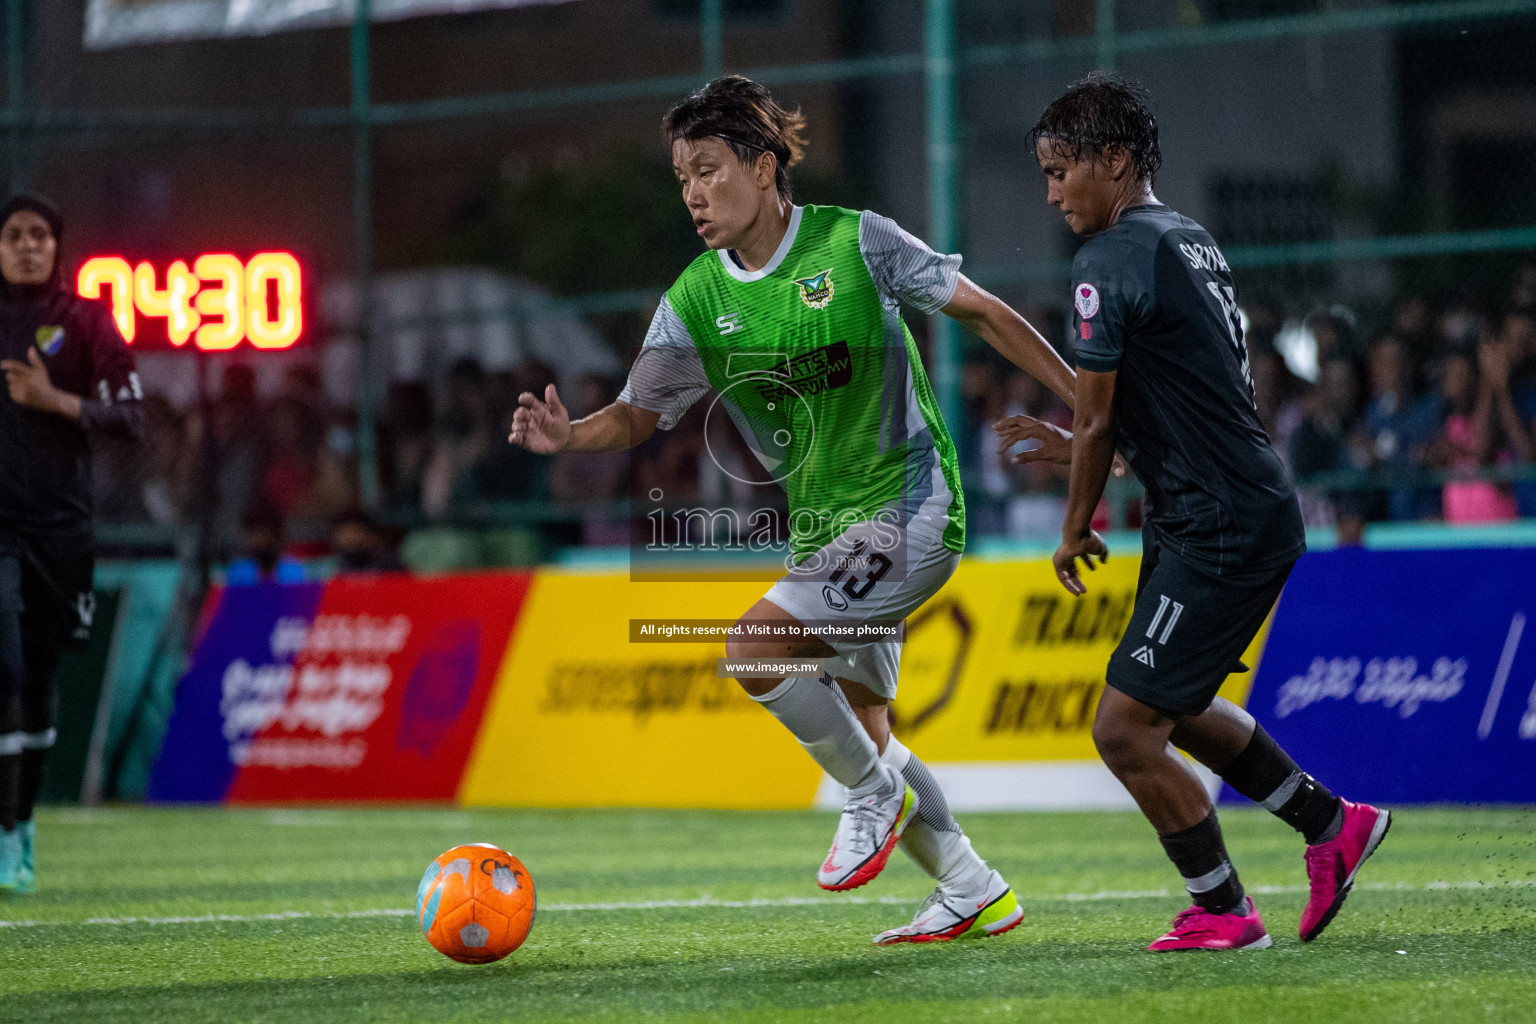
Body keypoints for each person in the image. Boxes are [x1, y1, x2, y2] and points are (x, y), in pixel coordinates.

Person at [509, 75, 1082, 944]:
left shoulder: (858, 243)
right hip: (826, 537)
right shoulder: (699, 299)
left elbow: (987, 314)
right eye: (682, 177)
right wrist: (571, 435)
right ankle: (972, 885)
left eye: (709, 169)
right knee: (865, 727)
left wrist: (1090, 408)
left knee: (754, 647)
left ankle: (869, 795)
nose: (694, 194)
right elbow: (637, 412)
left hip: (912, 507)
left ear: (766, 165)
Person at [1001, 74, 1390, 951]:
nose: (1052, 190)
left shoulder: (1106, 259)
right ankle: (1334, 825)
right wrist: (1083, 448)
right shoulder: (1187, 239)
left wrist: (1073, 523)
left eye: (1063, 170)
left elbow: (1101, 413)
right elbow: (1174, 404)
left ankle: (1223, 909)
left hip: (1218, 521)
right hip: (1222, 508)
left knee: (1125, 730)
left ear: (1115, 161)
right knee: (1169, 708)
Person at [0, 193, 144, 892]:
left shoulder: (86, 321)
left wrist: (51, 400)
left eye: (39, 236)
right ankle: (5, 830)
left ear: (58, 247)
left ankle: (21, 823)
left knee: (39, 681)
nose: (27, 246)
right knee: (5, 670)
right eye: (14, 235)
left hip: (60, 529)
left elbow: (132, 417)